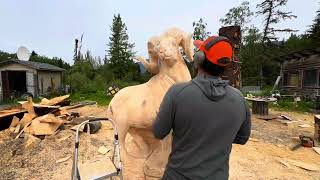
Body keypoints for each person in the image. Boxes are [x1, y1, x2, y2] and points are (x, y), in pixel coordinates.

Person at [152, 36, 251, 180]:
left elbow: (158, 132)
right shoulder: (239, 99)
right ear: (226, 65)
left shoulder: (177, 93)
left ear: (198, 60)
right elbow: (242, 138)